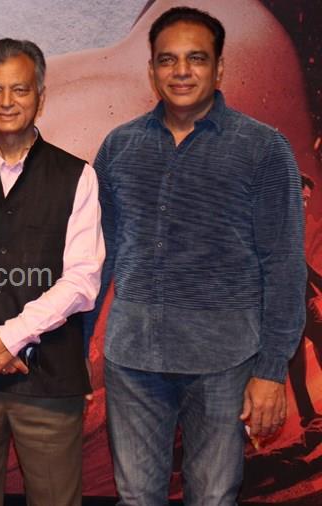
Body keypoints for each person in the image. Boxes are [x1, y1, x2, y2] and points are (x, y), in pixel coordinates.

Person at [88, 6, 305, 505]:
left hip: (224, 363)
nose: (181, 71)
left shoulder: (263, 148)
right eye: (168, 59)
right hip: (133, 361)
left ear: (219, 68)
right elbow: (97, 258)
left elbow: (283, 265)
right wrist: (74, 348)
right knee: (136, 498)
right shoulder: (119, 147)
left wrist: (272, 370)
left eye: (196, 58)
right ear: (152, 70)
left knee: (212, 498)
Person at [0, 38, 104, 506]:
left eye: (20, 89)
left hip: (49, 379)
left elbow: (82, 279)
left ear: (40, 96)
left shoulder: (77, 175)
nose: (7, 102)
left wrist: (9, 338)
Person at [288, 174, 322, 428]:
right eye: (301, 199)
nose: (304, 205)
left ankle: (308, 416)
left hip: (303, 299)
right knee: (296, 362)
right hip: (286, 306)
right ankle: (307, 416)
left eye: (307, 200)